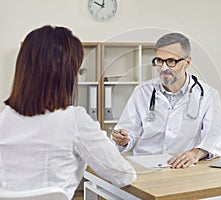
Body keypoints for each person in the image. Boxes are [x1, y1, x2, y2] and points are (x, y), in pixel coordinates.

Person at [0, 25, 136, 198]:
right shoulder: (74, 120)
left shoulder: (4, 118)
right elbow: (124, 175)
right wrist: (98, 138)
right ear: (66, 73)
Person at [111, 32, 221, 169]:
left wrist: (195, 153)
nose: (164, 68)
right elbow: (127, 131)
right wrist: (123, 139)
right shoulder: (142, 92)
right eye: (159, 61)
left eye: (171, 61)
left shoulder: (207, 95)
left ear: (187, 62)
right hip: (146, 167)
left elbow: (218, 135)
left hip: (183, 169)